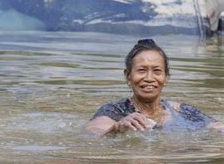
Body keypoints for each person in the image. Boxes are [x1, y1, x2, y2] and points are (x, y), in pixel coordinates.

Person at [85, 39, 224, 135]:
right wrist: (116, 128)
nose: (149, 78)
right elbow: (93, 133)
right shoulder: (115, 111)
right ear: (128, 76)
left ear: (166, 78)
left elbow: (216, 127)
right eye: (141, 70)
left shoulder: (181, 111)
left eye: (157, 71)